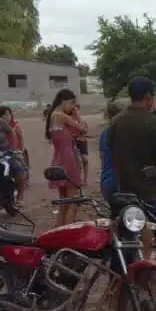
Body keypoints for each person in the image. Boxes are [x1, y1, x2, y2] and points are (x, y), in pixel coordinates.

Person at [108, 77, 156, 300]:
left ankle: (118, 284)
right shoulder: (154, 124)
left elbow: (114, 159)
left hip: (125, 193)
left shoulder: (116, 123)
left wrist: (121, 185)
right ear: (149, 97)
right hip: (153, 193)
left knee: (123, 238)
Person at [46, 89, 85, 226]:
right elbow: (83, 129)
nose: (73, 107)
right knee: (74, 200)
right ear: (64, 100)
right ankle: (68, 232)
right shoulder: (61, 115)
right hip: (68, 160)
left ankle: (60, 230)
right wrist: (77, 114)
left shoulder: (52, 116)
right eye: (72, 103)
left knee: (64, 200)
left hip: (58, 159)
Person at [0, 106, 26, 208]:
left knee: (18, 168)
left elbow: (11, 132)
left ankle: (20, 197)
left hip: (5, 155)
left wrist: (14, 148)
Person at [99, 101, 123, 202]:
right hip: (124, 182)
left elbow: (102, 158)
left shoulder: (104, 134)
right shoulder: (125, 132)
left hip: (107, 180)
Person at [73, 104, 89, 186]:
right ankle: (78, 179)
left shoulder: (82, 120)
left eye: (77, 110)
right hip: (74, 141)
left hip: (82, 141)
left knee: (85, 159)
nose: (75, 112)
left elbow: (85, 131)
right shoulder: (69, 120)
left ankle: (85, 179)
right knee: (76, 161)